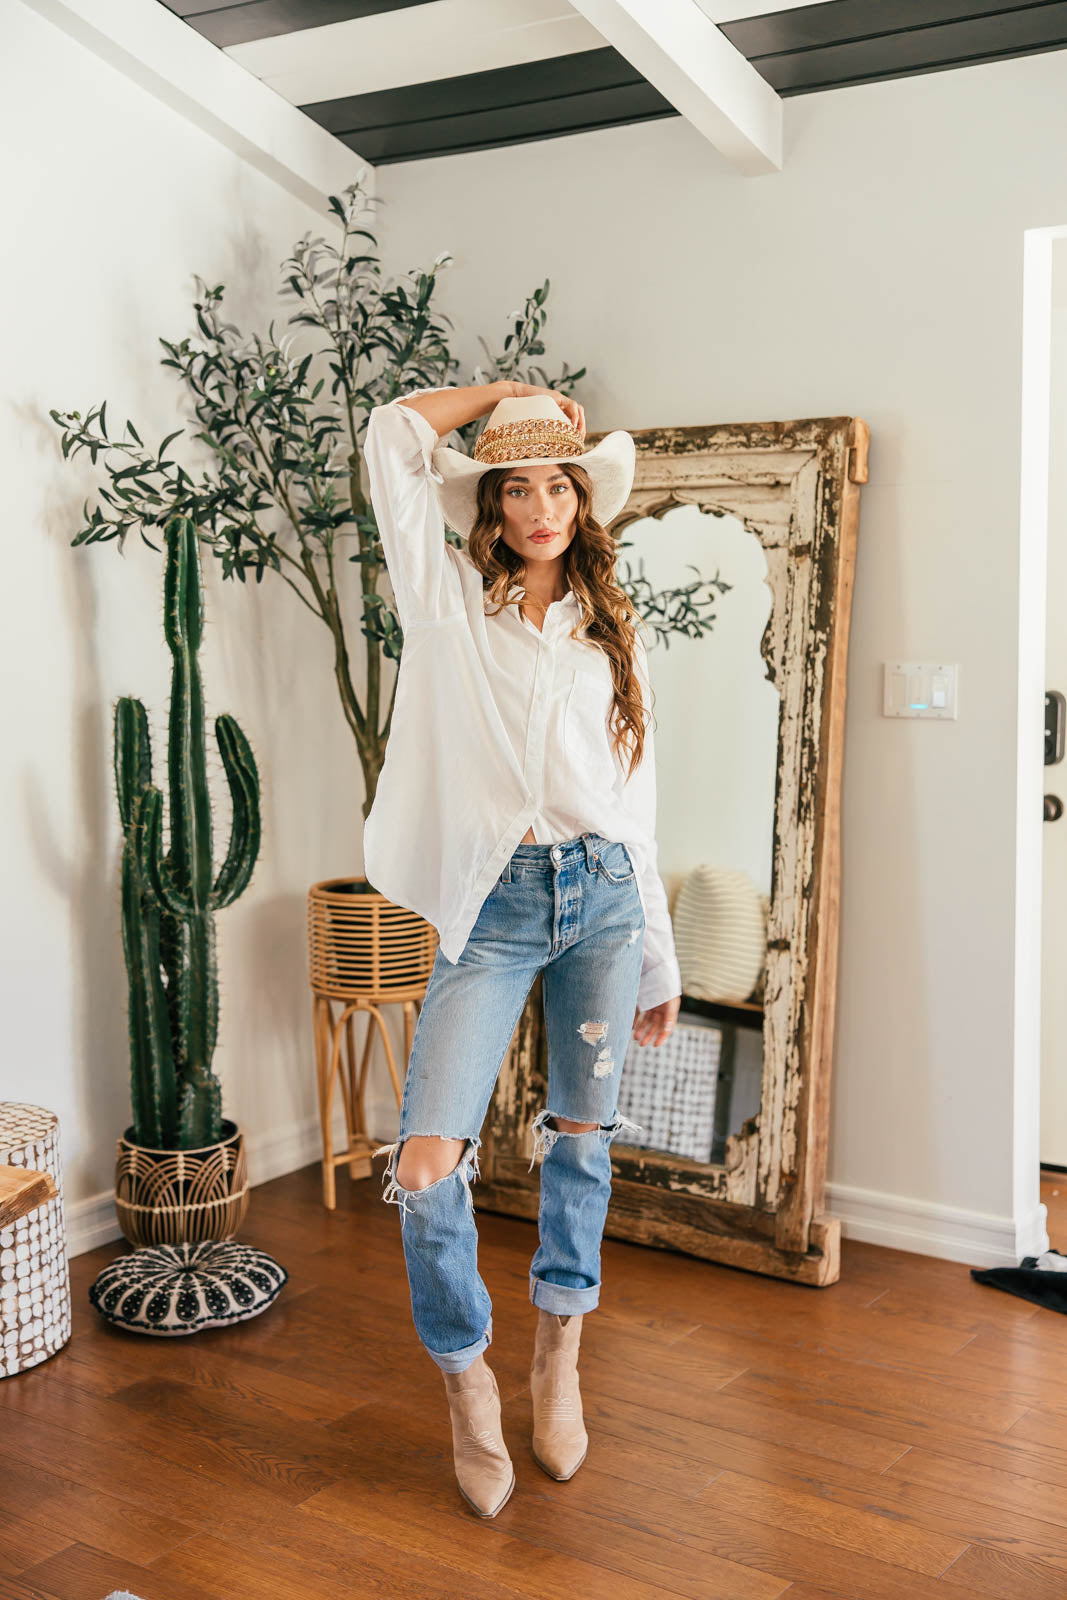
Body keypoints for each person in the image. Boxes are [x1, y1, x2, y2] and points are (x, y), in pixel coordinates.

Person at [362, 379, 682, 1519]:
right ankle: (465, 1384)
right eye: (517, 484)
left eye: (559, 481)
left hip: (599, 896)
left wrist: (656, 950)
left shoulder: (606, 631)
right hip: (491, 908)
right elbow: (393, 435)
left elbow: (631, 801)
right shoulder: (448, 605)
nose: (541, 503)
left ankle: (557, 1356)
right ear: (489, 504)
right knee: (420, 1163)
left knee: (580, 1143)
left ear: (581, 500)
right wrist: (506, 392)